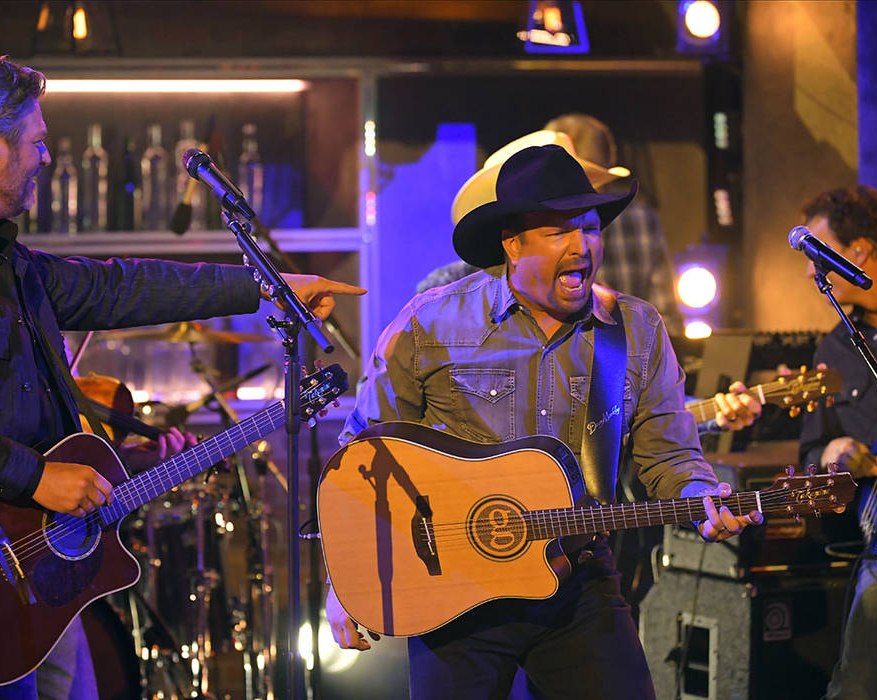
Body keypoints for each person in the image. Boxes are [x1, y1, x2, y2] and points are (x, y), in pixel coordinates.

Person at [0, 54, 364, 699]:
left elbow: (123, 287)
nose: (43, 156)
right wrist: (36, 476)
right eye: (36, 141)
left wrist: (268, 285)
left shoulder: (10, 260)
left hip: (40, 568)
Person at [325, 144, 760, 699]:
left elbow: (670, 455)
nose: (583, 246)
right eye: (560, 232)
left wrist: (703, 500)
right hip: (456, 593)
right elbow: (362, 458)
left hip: (576, 580)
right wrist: (348, 582)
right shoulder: (431, 324)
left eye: (591, 228)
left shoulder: (634, 330)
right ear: (513, 245)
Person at [421, 112, 684, 335]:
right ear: (510, 236)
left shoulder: (636, 322)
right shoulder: (445, 295)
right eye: (557, 227)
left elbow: (663, 328)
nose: (579, 245)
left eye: (589, 225)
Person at [797, 185, 877, 700]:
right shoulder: (833, 347)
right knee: (857, 688)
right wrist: (833, 454)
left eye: (819, 252)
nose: (809, 269)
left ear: (858, 251)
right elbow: (810, 453)